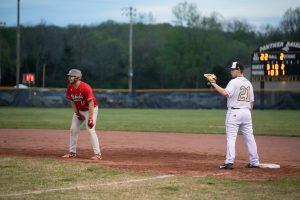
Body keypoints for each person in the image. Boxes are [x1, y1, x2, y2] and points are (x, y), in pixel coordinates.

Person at [208, 61, 260, 169]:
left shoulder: (234, 82)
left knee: (231, 138)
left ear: (239, 70)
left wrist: (213, 84)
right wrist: (246, 113)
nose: (231, 71)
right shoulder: (249, 84)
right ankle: (255, 161)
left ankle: (229, 162)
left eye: (233, 70)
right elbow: (252, 103)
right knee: (250, 138)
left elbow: (225, 93)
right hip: (247, 113)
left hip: (235, 112)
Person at [62, 69, 102, 160]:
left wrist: (91, 118)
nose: (69, 77)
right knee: (73, 129)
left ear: (77, 77)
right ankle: (72, 152)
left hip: (90, 109)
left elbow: (91, 103)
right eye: (69, 76)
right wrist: (77, 113)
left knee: (90, 130)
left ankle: (98, 154)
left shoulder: (85, 87)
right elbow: (72, 101)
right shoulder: (70, 87)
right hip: (79, 109)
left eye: (71, 76)